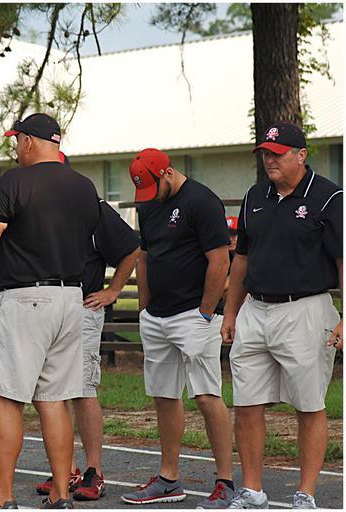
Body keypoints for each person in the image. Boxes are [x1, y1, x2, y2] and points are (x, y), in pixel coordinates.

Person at [0, 113, 101, 509]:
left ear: (28, 141)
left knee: (9, 399)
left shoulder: (15, 181)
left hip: (25, 297)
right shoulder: (83, 185)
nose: (16, 148)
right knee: (55, 400)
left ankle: (2, 496)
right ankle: (61, 493)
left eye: (17, 141)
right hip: (71, 297)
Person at [222, 122, 343, 509]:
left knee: (309, 405)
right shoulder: (254, 195)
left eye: (277, 153)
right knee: (246, 402)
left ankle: (305, 494)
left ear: (301, 155)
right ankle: (252, 490)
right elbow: (241, 258)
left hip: (305, 310)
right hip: (255, 310)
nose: (269, 160)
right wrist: (230, 312)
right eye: (265, 153)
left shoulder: (329, 197)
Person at [121, 148, 235, 508]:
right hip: (157, 316)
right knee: (164, 396)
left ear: (167, 173)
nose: (149, 197)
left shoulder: (202, 201)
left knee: (206, 395)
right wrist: (144, 309)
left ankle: (226, 482)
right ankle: (168, 479)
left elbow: (220, 261)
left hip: (194, 315)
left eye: (152, 188)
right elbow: (145, 257)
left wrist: (205, 313)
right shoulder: (148, 204)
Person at [35, 156, 141, 502]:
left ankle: (94, 470)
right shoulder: (31, 206)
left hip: (82, 306)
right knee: (52, 391)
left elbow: (130, 248)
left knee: (82, 389)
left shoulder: (93, 208)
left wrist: (113, 291)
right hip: (44, 308)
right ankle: (65, 469)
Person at [222, 216, 239, 303]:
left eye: (234, 235)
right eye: (227, 235)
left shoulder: (248, 255)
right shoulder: (219, 256)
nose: (230, 239)